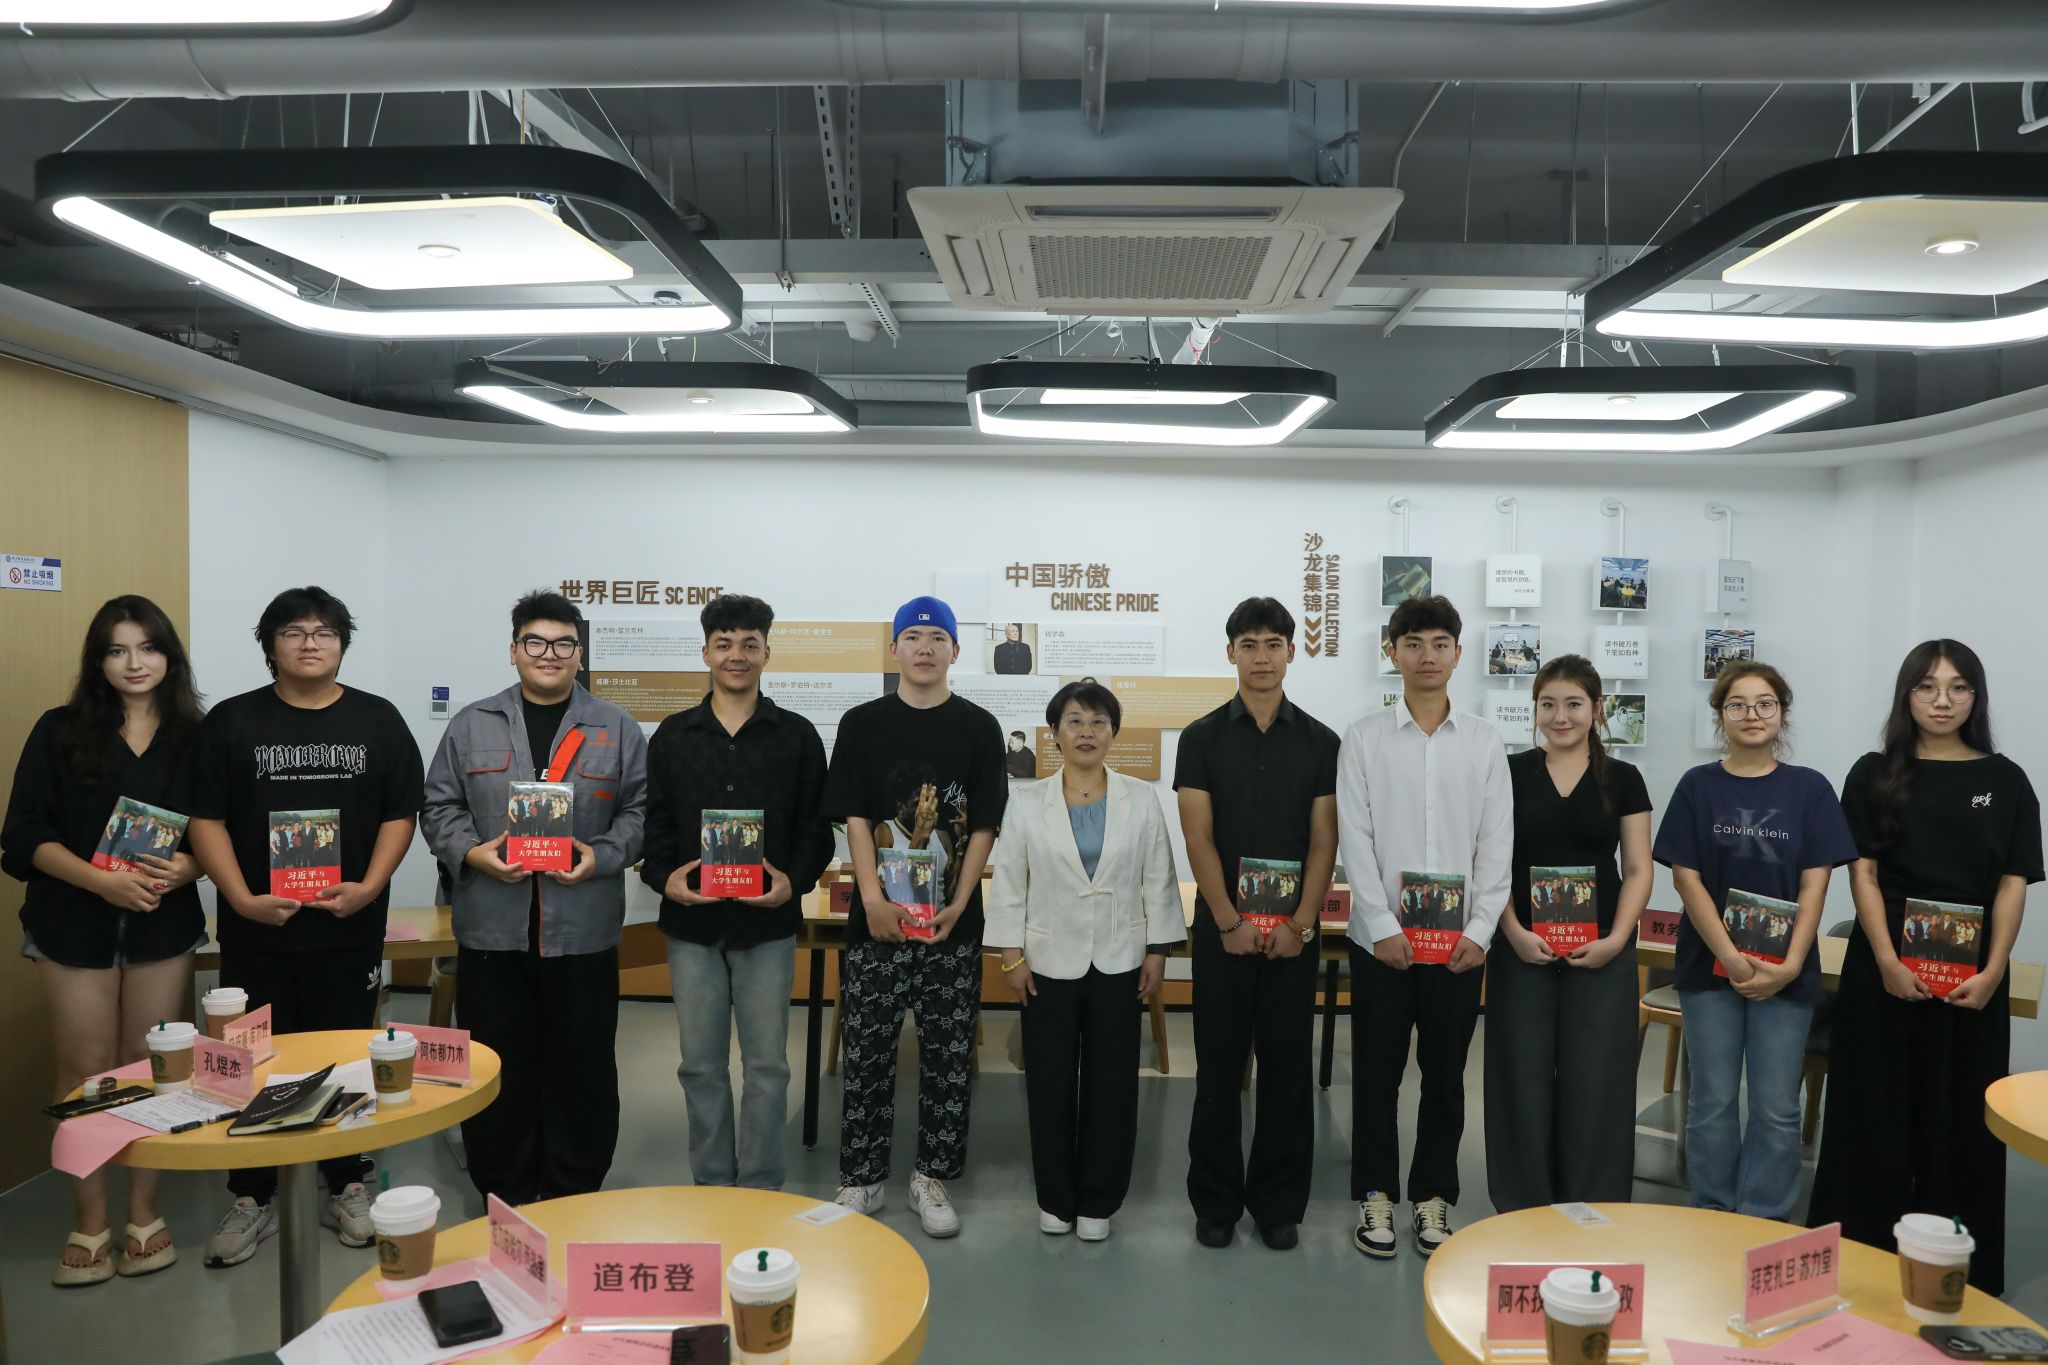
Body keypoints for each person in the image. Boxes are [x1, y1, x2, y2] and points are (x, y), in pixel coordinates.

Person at [185, 586, 423, 1266]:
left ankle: (345, 1179)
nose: (310, 643)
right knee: (253, 1057)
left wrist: (369, 887)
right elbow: (205, 818)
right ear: (270, 644)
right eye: (293, 631)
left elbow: (400, 813)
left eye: (324, 632)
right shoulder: (232, 721)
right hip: (256, 930)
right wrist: (240, 898)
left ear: (342, 643)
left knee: (345, 1053)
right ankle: (252, 1193)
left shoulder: (378, 719)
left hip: (347, 927)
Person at [1808, 641, 2041, 1293]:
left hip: (1973, 979)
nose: (1943, 700)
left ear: (1976, 697)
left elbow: (2013, 882)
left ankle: (1953, 1269)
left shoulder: (2007, 780)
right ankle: (1856, 1260)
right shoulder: (1873, 772)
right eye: (1927, 687)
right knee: (1871, 1113)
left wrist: (1993, 970)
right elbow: (1863, 872)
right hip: (1882, 971)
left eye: (1958, 687)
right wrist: (1885, 958)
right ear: (1906, 695)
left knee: (1961, 1122)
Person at [2, 596, 206, 1286]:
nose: (134, 662)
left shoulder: (197, 735)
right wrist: (100, 881)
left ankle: (143, 1214)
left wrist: (192, 866)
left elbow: (221, 828)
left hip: (162, 923)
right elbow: (22, 835)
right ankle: (89, 1220)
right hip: (72, 921)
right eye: (117, 650)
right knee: (87, 1070)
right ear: (98, 661)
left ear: (169, 656)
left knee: (150, 1066)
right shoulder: (59, 730)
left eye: (147, 647)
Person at [421, 590, 648, 1205]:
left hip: (584, 930)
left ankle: (575, 1188)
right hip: (493, 931)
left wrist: (600, 855)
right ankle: (505, 1189)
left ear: (580, 653)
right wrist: (473, 853)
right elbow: (438, 806)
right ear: (514, 650)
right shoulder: (472, 724)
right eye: (536, 642)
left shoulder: (615, 727)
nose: (549, 654)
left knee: (583, 1064)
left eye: (564, 643)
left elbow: (640, 812)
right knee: (498, 1063)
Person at [825, 596, 1007, 1237]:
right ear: (894, 649)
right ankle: (862, 1177)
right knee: (867, 1050)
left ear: (955, 650)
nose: (925, 647)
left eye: (937, 637)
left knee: (947, 1058)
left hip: (952, 925)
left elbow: (984, 824)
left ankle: (932, 1176)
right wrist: (872, 899)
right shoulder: (862, 724)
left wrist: (960, 902)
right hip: (876, 923)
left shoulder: (979, 728)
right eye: (913, 636)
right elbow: (854, 816)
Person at [639, 594, 833, 1192]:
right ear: (705, 652)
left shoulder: (796, 736)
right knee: (700, 1066)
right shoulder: (672, 736)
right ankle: (713, 1186)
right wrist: (664, 879)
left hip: (766, 927)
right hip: (692, 928)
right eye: (724, 644)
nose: (737, 655)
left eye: (750, 644)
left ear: (767, 652)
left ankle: (761, 1188)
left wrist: (792, 882)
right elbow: (655, 825)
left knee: (768, 1067)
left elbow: (816, 829)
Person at [1338, 594, 1511, 1259]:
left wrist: (1482, 928)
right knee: (1376, 1074)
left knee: (1444, 1076)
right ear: (1393, 652)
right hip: (1381, 945)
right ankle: (1375, 1193)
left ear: (1458, 654)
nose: (1427, 655)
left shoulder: (1484, 740)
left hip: (1458, 946)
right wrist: (1380, 923)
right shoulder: (1364, 738)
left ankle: (1433, 1195)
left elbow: (1496, 843)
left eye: (1440, 643)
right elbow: (1355, 837)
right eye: (1412, 643)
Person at [1651, 660, 1855, 1219]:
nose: (1752, 714)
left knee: (1776, 1107)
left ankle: (1764, 1219)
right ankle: (1714, 1211)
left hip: (1787, 972)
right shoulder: (1698, 786)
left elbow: (1816, 882)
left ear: (1782, 712)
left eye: (1765, 703)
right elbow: (1686, 878)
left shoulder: (1810, 789)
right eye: (1737, 705)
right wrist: (1729, 957)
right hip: (1709, 967)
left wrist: (1789, 965)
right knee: (1712, 1102)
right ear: (1720, 715)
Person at [986, 679, 1184, 1242]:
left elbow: (1158, 877)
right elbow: (1010, 882)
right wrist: (1010, 955)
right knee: (1048, 1082)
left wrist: (1158, 950)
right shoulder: (1028, 801)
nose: (1087, 732)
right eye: (1074, 721)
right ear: (1055, 733)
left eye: (1098, 721)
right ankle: (1055, 1197)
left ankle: (1099, 1199)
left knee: (1113, 1083)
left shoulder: (1140, 798)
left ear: (1114, 732)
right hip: (1046, 960)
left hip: (1121, 959)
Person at [1177, 596, 1339, 1252]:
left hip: (1292, 939)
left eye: (1274, 644)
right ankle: (1215, 1203)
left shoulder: (1321, 741)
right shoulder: (1200, 738)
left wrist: (1300, 923)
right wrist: (1227, 920)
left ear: (1292, 652)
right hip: (1223, 933)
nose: (1262, 656)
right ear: (1231, 652)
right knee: (1217, 1070)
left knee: (1286, 1071)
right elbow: (1198, 838)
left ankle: (1277, 1205)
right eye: (1249, 644)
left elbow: (1324, 841)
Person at [1483, 655, 1653, 1213]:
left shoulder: (1623, 779)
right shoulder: (1508, 772)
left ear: (1597, 708)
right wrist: (1511, 930)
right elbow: (1490, 862)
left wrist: (1617, 939)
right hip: (1521, 947)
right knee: (1521, 1076)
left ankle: (1592, 1205)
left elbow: (1638, 868)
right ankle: (1524, 1205)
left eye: (1574, 704)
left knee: (1596, 1080)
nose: (1561, 716)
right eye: (1548, 704)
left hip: (1601, 947)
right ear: (1534, 709)